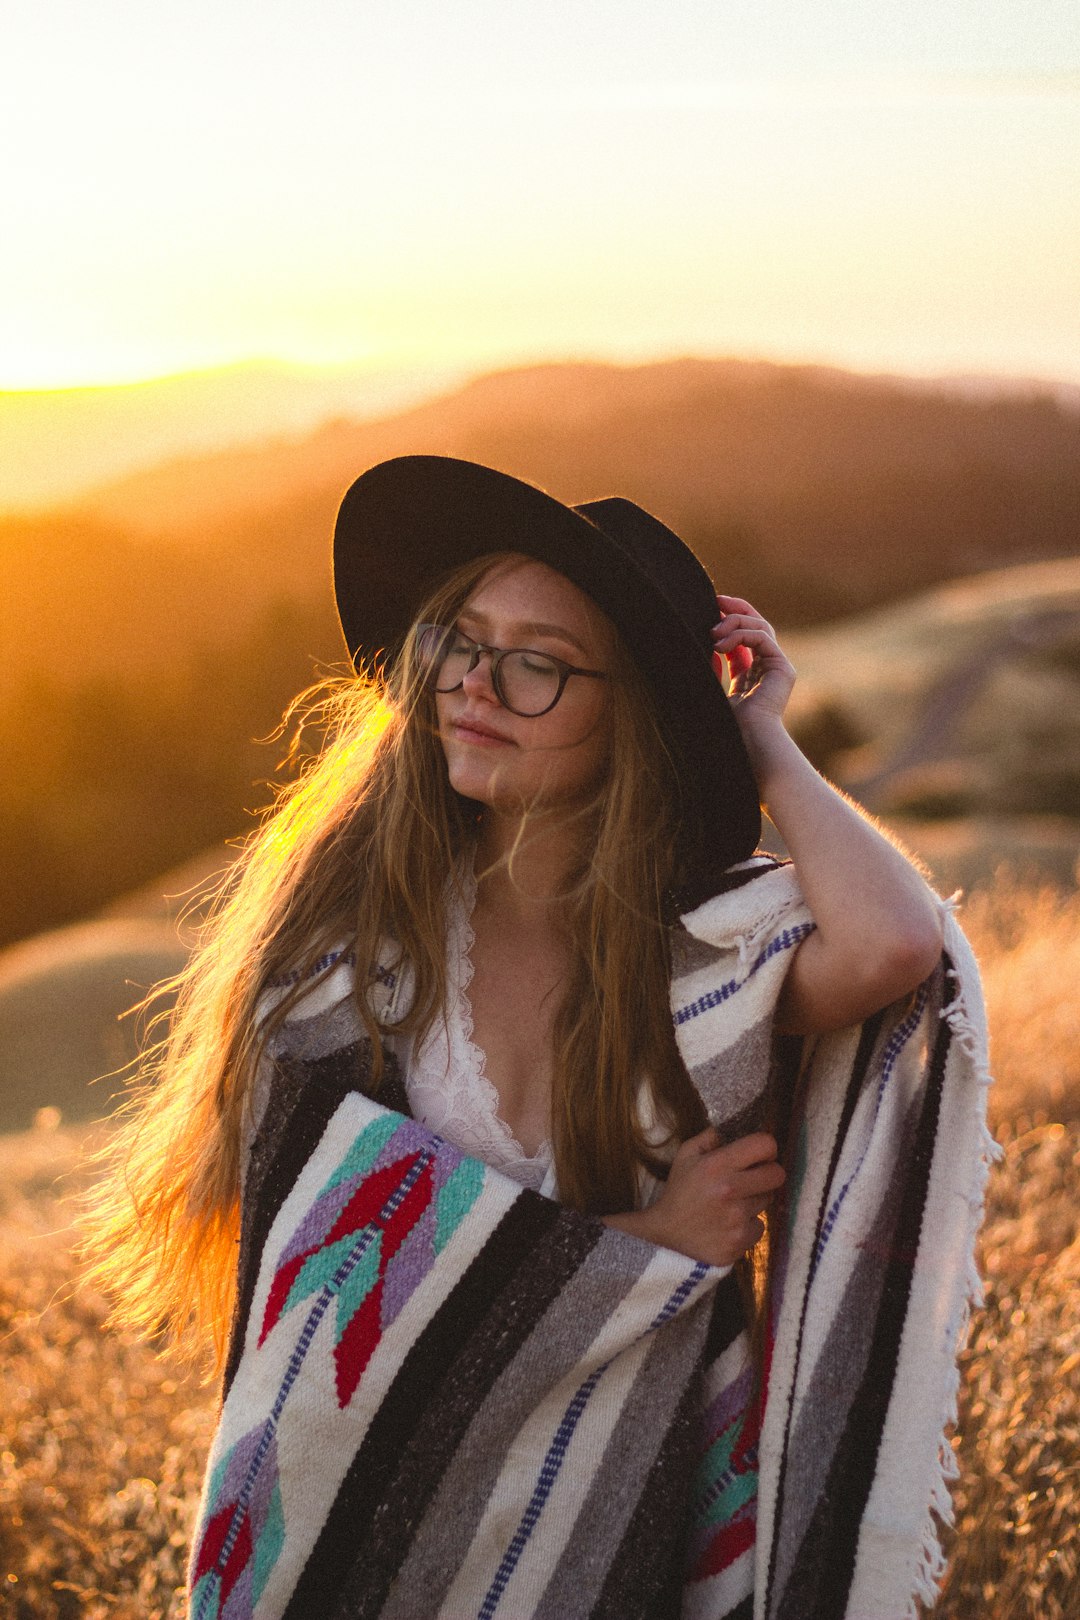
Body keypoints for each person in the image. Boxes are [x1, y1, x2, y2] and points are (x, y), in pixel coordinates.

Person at [85, 456, 990, 1620]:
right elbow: (319, 1319)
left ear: (634, 719)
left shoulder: (688, 963)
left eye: (539, 667)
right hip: (367, 1539)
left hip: (609, 1519)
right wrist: (642, 1246)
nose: (477, 686)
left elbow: (895, 948)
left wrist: (760, 737)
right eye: (464, 641)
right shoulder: (344, 974)